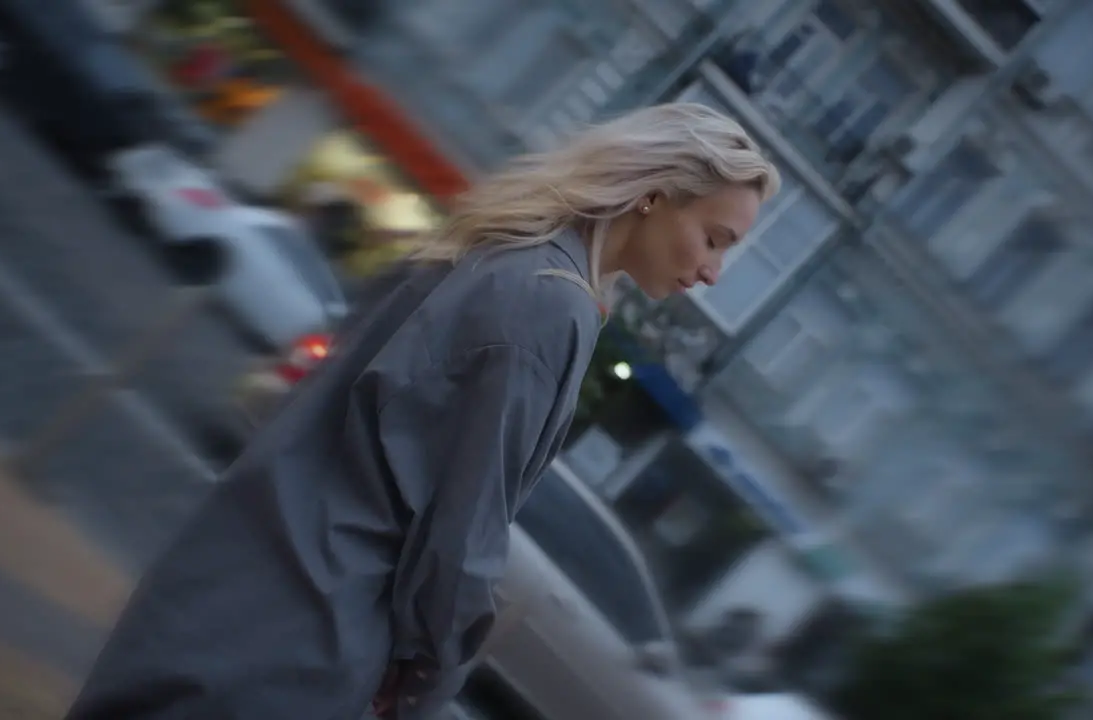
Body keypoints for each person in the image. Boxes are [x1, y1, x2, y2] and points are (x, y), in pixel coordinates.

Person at [66, 102, 780, 720]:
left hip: (231, 579)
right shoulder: (550, 305)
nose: (712, 271)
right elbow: (462, 538)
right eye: (714, 238)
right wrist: (427, 682)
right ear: (655, 194)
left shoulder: (496, 249)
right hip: (303, 641)